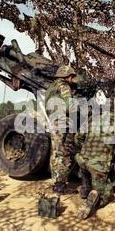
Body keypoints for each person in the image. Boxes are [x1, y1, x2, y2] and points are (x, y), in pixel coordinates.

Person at [75, 97, 115, 219]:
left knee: (86, 172)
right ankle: (96, 195)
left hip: (82, 160)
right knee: (106, 193)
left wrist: (86, 149)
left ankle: (85, 190)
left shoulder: (93, 119)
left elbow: (77, 138)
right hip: (98, 165)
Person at [45, 65, 78, 195]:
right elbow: (71, 108)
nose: (72, 80)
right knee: (62, 153)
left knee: (56, 152)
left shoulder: (50, 88)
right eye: (71, 77)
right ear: (67, 77)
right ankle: (60, 185)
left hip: (53, 122)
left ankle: (57, 182)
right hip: (62, 122)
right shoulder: (64, 87)